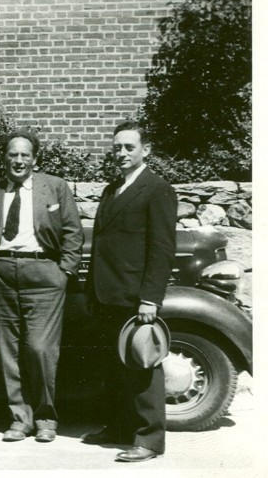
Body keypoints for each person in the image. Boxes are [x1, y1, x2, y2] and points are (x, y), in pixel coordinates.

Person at [0, 129, 83, 443]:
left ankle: (46, 418)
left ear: (35, 158)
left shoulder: (55, 187)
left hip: (45, 274)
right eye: (12, 154)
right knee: (10, 351)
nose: (18, 161)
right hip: (1, 274)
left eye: (24, 155)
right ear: (4, 158)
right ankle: (20, 418)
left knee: (40, 349)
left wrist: (64, 273)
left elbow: (73, 233)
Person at [82, 121, 177, 462]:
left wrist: (150, 298)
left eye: (128, 148)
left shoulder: (157, 189)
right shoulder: (112, 190)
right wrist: (94, 292)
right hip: (108, 295)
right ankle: (120, 428)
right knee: (114, 367)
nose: (120, 154)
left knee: (141, 365)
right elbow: (101, 247)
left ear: (145, 150)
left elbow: (162, 248)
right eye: (117, 148)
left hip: (137, 299)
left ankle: (149, 440)